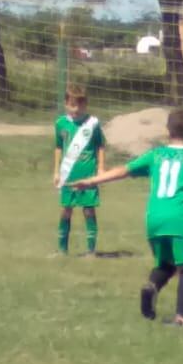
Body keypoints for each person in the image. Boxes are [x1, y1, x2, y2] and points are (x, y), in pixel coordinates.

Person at [69, 108, 183, 326]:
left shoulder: (156, 155)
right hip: (180, 220)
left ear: (167, 132)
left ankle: (151, 287)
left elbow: (123, 170)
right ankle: (182, 317)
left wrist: (91, 181)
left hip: (154, 219)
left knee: (167, 265)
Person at [52, 87, 106, 256]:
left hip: (88, 174)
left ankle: (91, 251)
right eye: (72, 105)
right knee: (66, 209)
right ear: (66, 104)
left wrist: (101, 168)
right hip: (68, 174)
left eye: (79, 106)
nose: (75, 110)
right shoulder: (60, 123)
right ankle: (62, 250)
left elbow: (100, 146)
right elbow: (58, 147)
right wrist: (56, 171)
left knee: (88, 209)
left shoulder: (93, 124)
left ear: (85, 105)